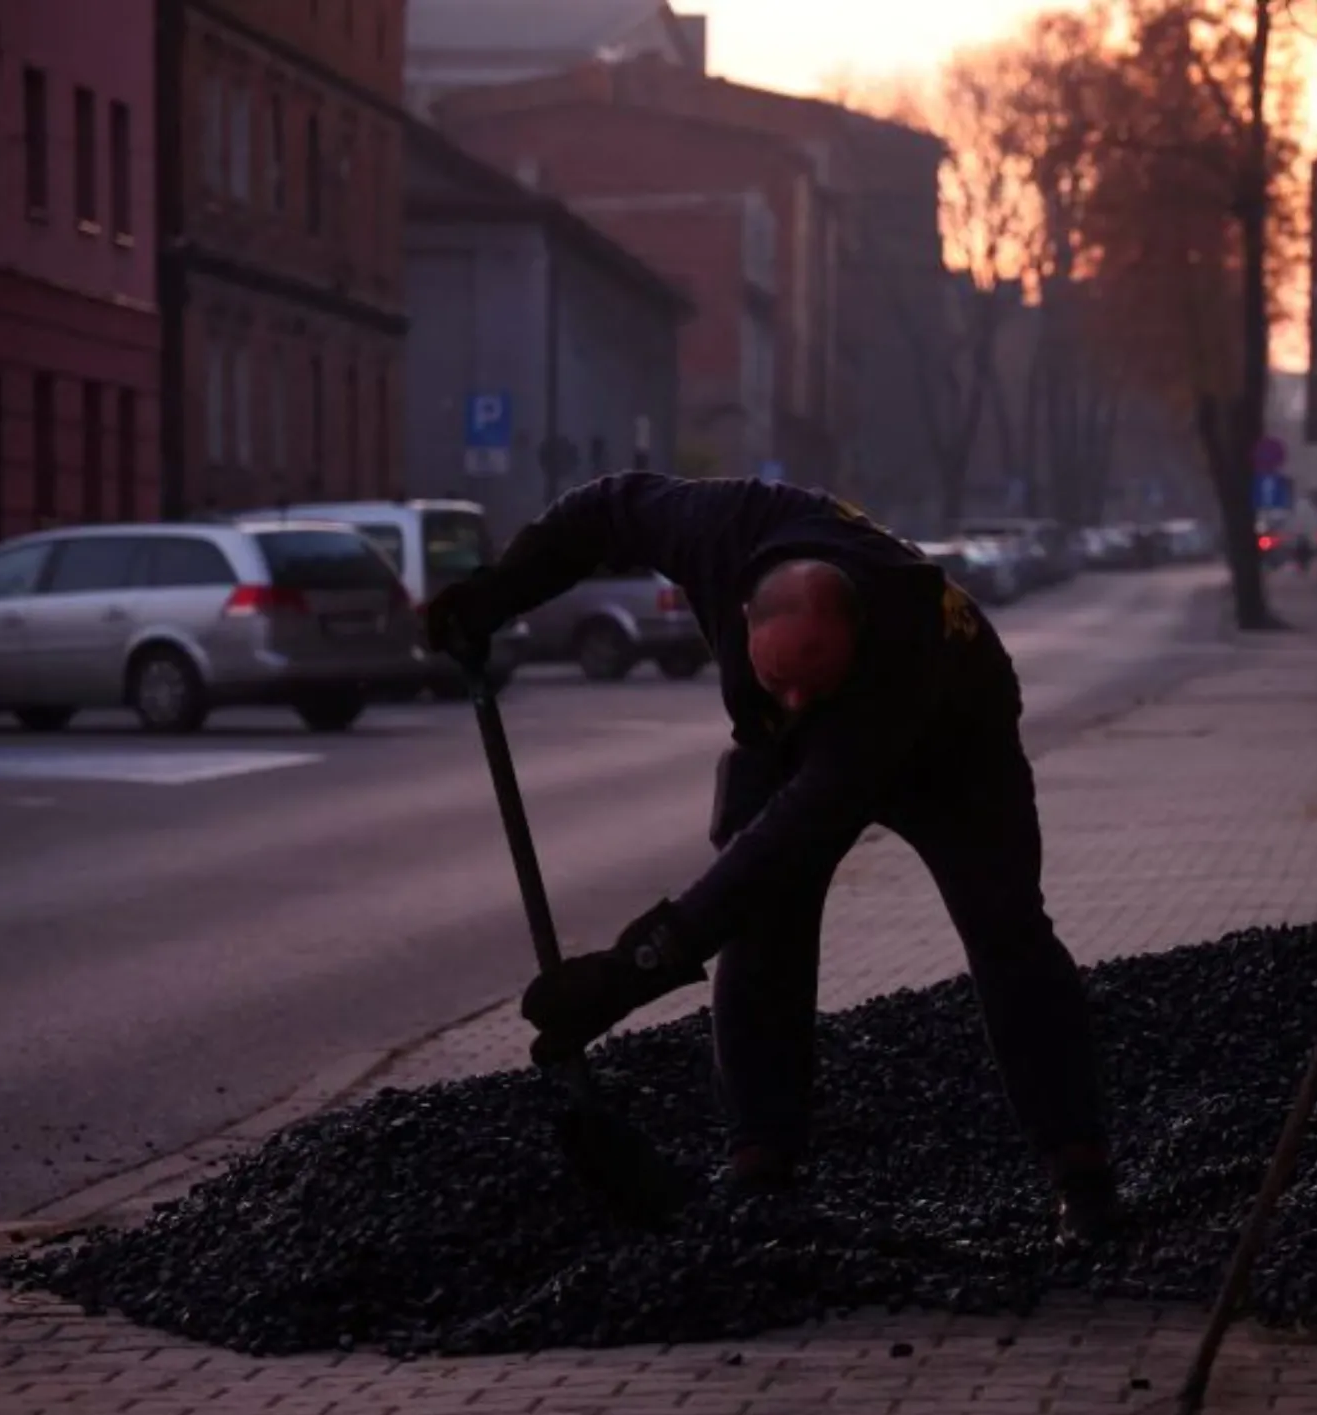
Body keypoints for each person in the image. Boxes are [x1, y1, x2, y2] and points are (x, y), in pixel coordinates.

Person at [425, 472, 1120, 1243]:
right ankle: (762, 1169)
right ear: (742, 613)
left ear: (852, 638)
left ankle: (1080, 1172)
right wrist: (497, 594)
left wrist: (634, 970)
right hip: (812, 748)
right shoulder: (717, 530)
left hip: (955, 739)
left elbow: (786, 840)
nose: (793, 701)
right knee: (763, 936)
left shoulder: (898, 648)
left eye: (810, 683)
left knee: (1007, 932)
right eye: (776, 680)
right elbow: (601, 511)